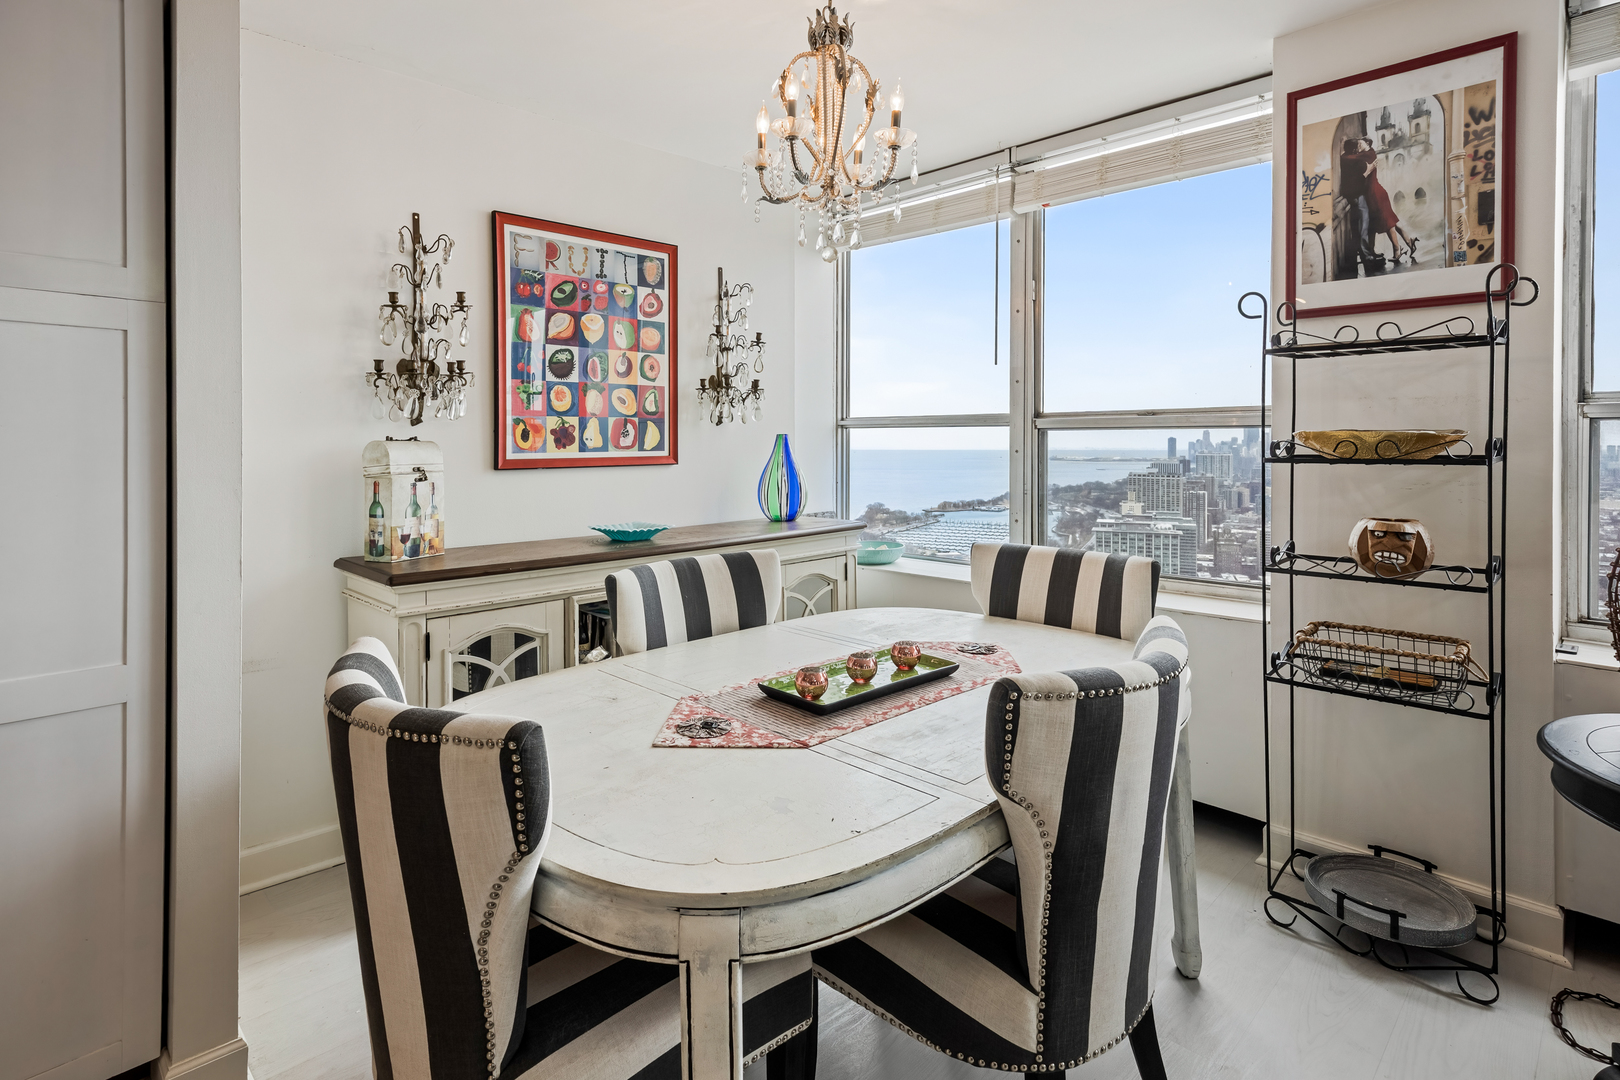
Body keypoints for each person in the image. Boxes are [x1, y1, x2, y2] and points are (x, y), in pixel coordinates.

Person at [1357, 138, 1419, 263]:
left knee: (1388, 222)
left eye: (1360, 143)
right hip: (1376, 193)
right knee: (1390, 221)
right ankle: (1409, 241)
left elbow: (1353, 158)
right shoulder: (1369, 153)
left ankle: (1397, 249)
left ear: (1368, 144)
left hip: (1376, 194)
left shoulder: (1369, 154)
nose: (1358, 145)